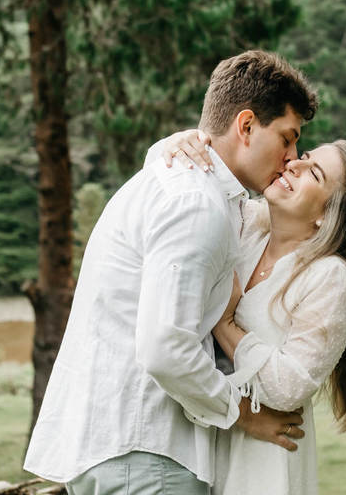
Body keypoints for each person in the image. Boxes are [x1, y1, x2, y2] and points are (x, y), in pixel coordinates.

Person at [24, 50, 319, 495]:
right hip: (146, 455)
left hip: (128, 452)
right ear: (245, 126)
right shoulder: (195, 203)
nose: (291, 156)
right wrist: (242, 411)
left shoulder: (181, 181)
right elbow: (165, 348)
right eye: (287, 137)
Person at [162, 133, 346, 495]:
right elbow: (203, 172)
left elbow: (288, 386)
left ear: (326, 215)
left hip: (265, 458)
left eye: (313, 174)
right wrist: (181, 142)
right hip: (207, 439)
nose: (294, 163)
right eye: (307, 155)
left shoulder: (329, 277)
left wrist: (225, 326)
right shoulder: (247, 229)